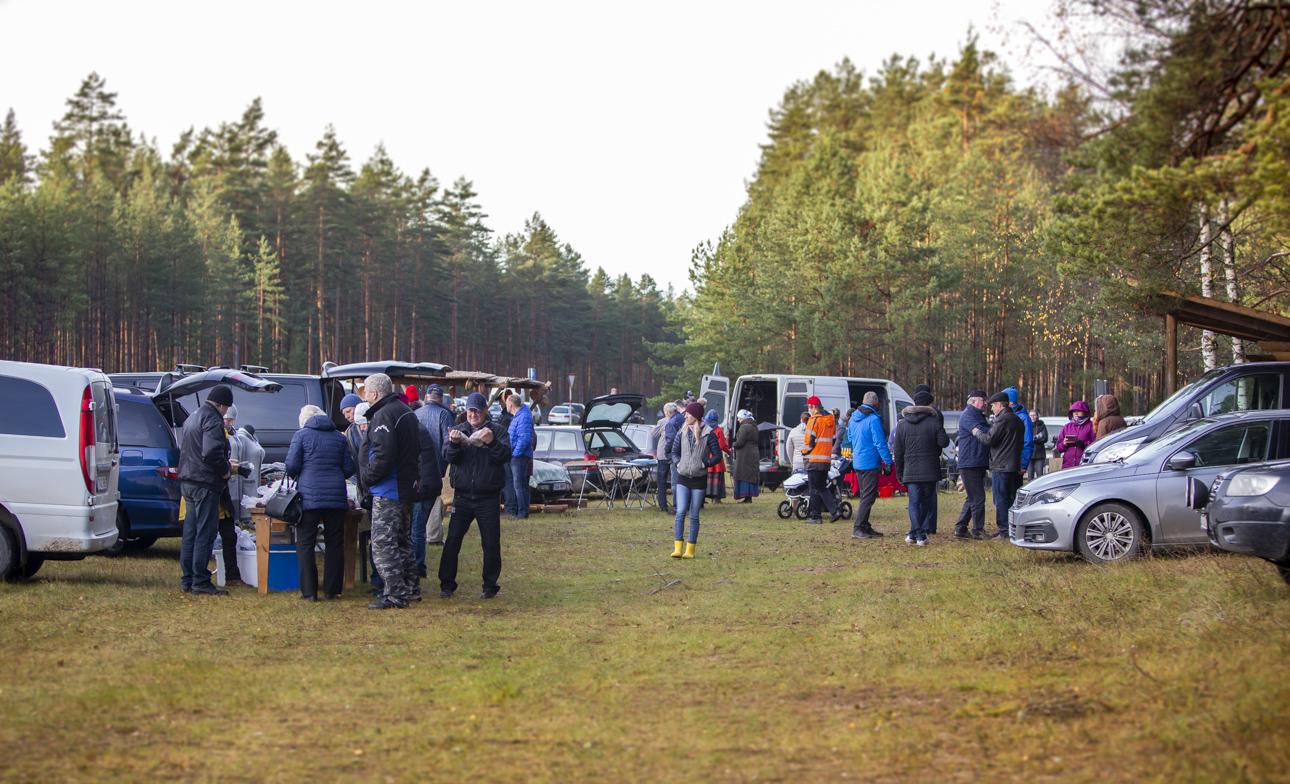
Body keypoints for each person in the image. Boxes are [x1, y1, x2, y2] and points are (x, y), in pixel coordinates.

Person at [439, 392, 510, 599]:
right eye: (470, 411)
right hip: (462, 496)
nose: (473, 415)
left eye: (477, 411)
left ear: (485, 411)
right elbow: (448, 457)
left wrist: (491, 442)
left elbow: (505, 456)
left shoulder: (498, 430)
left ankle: (490, 585)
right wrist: (454, 443)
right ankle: (446, 584)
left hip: (488, 497)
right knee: (452, 540)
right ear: (466, 411)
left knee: (490, 543)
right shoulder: (458, 429)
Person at [361, 373, 421, 609]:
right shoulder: (405, 411)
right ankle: (411, 588)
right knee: (402, 540)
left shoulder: (384, 414)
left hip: (389, 488)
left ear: (375, 393)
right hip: (406, 486)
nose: (365, 397)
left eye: (366, 392)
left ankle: (395, 593)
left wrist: (367, 477)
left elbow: (383, 455)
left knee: (383, 543)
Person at [286, 404, 355, 601]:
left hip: (309, 497)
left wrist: (302, 474)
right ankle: (332, 590)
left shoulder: (301, 435)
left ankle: (309, 591)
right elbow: (349, 468)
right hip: (336, 496)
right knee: (335, 542)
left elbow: (291, 465)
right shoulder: (339, 437)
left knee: (305, 542)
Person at [178, 384, 236, 596]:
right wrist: (225, 470)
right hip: (204, 483)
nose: (225, 412)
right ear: (221, 405)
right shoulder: (212, 419)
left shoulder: (192, 417)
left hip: (188, 480)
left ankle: (188, 579)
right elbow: (211, 452)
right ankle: (201, 581)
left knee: (190, 532)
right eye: (226, 408)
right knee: (205, 531)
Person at [892, 391, 948, 546]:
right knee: (926, 502)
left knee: (914, 502)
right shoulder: (934, 421)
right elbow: (944, 442)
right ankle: (920, 535)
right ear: (929, 404)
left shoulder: (902, 424)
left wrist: (899, 472)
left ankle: (913, 534)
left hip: (910, 469)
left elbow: (898, 451)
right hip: (929, 469)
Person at [669, 402, 722, 558]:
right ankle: (678, 548)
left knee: (694, 515)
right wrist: (678, 463)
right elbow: (674, 452)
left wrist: (705, 464)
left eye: (688, 414)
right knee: (680, 511)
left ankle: (690, 550)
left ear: (696, 416)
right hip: (683, 477)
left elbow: (717, 455)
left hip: (699, 480)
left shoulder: (709, 433)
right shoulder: (682, 431)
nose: (685, 416)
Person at [971, 391, 1025, 539]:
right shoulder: (1017, 420)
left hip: (1001, 465)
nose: (992, 409)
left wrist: (976, 432)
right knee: (1012, 499)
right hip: (1014, 465)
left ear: (1000, 405)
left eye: (993, 406)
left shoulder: (1002, 420)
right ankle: (1014, 529)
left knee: (1001, 499)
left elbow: (989, 439)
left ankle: (1004, 530)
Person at [413, 385, 455, 550]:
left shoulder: (416, 414)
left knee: (419, 510)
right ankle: (433, 535)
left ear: (426, 396)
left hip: (417, 469)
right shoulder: (444, 414)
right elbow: (448, 444)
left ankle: (425, 536)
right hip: (436, 468)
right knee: (436, 504)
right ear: (441, 398)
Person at [847, 392, 891, 539]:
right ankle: (858, 527)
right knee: (868, 497)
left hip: (858, 462)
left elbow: (850, 438)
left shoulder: (853, 418)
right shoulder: (873, 419)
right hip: (870, 462)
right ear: (876, 404)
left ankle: (865, 526)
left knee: (865, 495)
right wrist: (888, 461)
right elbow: (880, 442)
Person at [217, 404, 251, 586]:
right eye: (227, 419)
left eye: (232, 420)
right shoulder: (214, 433)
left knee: (230, 535)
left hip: (223, 494)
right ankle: (198, 577)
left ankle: (233, 576)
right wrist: (230, 467)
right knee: (204, 537)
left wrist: (233, 467)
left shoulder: (229, 435)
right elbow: (214, 461)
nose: (229, 423)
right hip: (211, 493)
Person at [953, 390, 990, 539]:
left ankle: (961, 528)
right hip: (970, 463)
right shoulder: (968, 415)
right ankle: (978, 530)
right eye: (983, 400)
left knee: (972, 497)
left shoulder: (978, 415)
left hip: (976, 461)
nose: (986, 403)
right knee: (978, 498)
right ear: (974, 401)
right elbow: (983, 433)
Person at [802, 396, 841, 524]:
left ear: (813, 407)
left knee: (814, 488)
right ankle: (835, 511)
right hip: (825, 459)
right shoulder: (831, 420)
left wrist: (804, 452)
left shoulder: (813, 420)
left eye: (809, 407)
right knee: (821, 487)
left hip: (814, 459)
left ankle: (816, 516)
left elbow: (809, 441)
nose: (809, 410)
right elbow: (833, 439)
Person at [506, 392, 535, 518]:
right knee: (520, 485)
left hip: (519, 457)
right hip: (518, 455)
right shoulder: (519, 415)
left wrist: (515, 454)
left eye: (507, 403)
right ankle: (521, 511)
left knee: (519, 485)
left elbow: (524, 438)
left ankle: (522, 512)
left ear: (511, 404)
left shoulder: (523, 416)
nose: (506, 406)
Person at [1003, 387, 1033, 483]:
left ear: (1010, 402)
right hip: (1004, 464)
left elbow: (1027, 441)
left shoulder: (1024, 418)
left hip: (1016, 464)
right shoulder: (1003, 415)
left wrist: (1023, 464)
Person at [1053, 400, 1095, 468]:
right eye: (1074, 411)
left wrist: (1083, 444)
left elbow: (1096, 445)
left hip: (1084, 465)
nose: (1076, 413)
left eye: (1079, 411)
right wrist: (1064, 444)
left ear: (1085, 412)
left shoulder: (1091, 426)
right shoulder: (1067, 427)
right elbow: (1059, 448)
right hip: (1068, 466)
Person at [652, 402, 677, 513]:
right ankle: (678, 504)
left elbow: (653, 434)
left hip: (663, 454)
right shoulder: (680, 420)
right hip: (676, 454)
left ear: (666, 412)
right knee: (676, 481)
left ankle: (663, 505)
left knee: (661, 481)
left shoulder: (662, 422)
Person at [731, 409, 761, 503]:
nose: (738, 420)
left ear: (743, 418)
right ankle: (749, 497)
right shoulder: (754, 426)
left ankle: (745, 496)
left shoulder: (744, 427)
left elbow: (740, 442)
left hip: (745, 454)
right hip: (753, 453)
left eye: (739, 418)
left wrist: (733, 444)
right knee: (750, 474)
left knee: (743, 474)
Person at [704, 410, 729, 503]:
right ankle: (716, 499)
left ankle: (704, 498)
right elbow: (722, 445)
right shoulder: (719, 430)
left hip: (707, 457)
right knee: (717, 478)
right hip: (717, 458)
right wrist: (729, 452)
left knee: (706, 477)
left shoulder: (705, 429)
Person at [1028, 410, 1050, 480]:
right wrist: (1036, 437)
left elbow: (1045, 438)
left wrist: (1034, 439)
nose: (1032, 417)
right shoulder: (1027, 425)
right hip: (1029, 454)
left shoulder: (1042, 425)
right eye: (1031, 415)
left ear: (1037, 416)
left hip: (1039, 454)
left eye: (1034, 415)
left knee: (1040, 475)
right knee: (1030, 476)